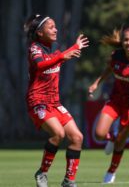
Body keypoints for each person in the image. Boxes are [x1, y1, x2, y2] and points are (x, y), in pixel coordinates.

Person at [25, 14, 89, 187]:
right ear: (40, 32)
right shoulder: (35, 48)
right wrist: (62, 56)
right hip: (38, 101)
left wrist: (76, 46)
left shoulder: (53, 49)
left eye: (55, 26)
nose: (56, 30)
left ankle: (69, 180)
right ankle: (42, 173)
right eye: (51, 27)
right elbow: (39, 65)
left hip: (55, 103)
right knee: (58, 134)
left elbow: (61, 55)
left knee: (77, 137)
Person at [88, 26, 129, 184]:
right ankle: (110, 138)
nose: (128, 42)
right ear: (122, 42)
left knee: (122, 140)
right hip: (115, 100)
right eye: (126, 39)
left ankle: (111, 171)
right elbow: (108, 69)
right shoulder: (115, 55)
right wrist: (96, 83)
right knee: (99, 134)